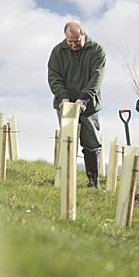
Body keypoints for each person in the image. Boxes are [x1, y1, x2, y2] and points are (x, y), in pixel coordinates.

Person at [48, 21, 106, 188]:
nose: (73, 44)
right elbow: (54, 76)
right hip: (64, 104)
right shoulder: (58, 51)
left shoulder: (97, 50)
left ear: (84, 35)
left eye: (76, 41)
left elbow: (97, 77)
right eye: (69, 41)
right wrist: (63, 98)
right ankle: (64, 180)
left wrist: (84, 99)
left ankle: (93, 182)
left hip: (88, 105)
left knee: (91, 142)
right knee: (67, 140)